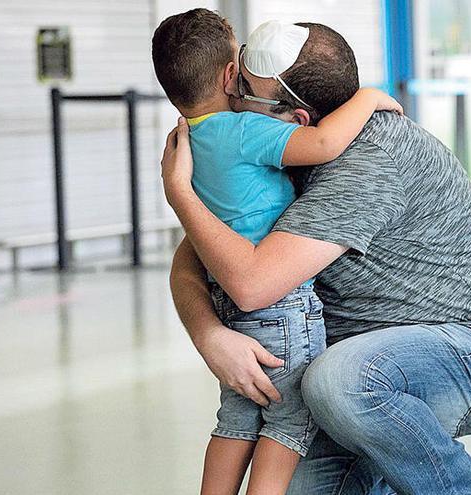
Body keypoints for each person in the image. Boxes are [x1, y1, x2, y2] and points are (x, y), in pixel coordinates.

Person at [161, 19, 471, 495]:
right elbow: (193, 257)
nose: (230, 99)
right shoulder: (266, 151)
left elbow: (250, 283)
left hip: (470, 346)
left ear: (294, 120)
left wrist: (180, 194)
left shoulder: (368, 160)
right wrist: (210, 336)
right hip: (342, 356)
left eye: (244, 91)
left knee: (341, 384)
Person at [151, 10, 402, 495]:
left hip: (223, 302)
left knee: (237, 419)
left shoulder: (186, 139)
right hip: (281, 310)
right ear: (229, 76)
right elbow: (325, 141)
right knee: (290, 420)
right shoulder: (241, 131)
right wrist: (369, 97)